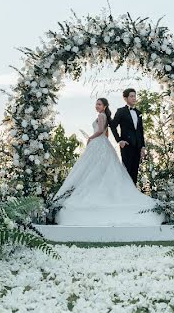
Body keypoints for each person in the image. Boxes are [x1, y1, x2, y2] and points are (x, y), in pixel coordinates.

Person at [53, 97, 163, 226]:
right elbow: (106, 134)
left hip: (98, 143)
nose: (97, 106)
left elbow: (100, 131)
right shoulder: (105, 116)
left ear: (104, 106)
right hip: (103, 143)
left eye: (99, 104)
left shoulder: (101, 115)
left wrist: (90, 138)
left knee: (92, 169)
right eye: (96, 104)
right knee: (100, 169)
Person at [108, 88, 145, 185]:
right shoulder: (121, 111)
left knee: (135, 172)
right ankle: (125, 197)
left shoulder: (138, 112)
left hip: (137, 146)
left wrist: (142, 147)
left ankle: (133, 196)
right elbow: (113, 126)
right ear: (125, 98)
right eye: (131, 96)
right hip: (127, 145)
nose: (134, 98)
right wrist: (119, 141)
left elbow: (141, 131)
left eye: (135, 96)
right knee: (126, 172)